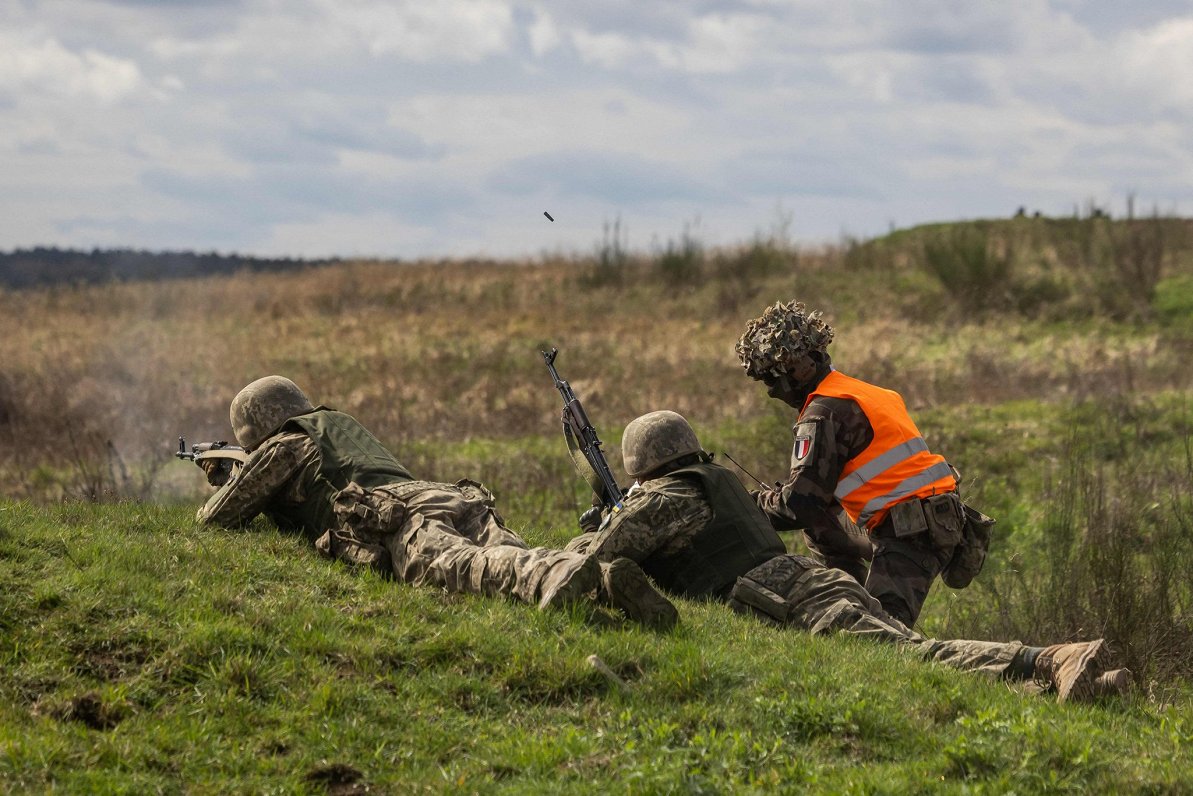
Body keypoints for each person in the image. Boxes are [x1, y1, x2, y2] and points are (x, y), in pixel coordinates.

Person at [567, 410, 1130, 703]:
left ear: (641, 466)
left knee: (911, 657)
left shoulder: (666, 497)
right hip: (812, 582)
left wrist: (598, 524)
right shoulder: (717, 481)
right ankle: (1066, 688)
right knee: (908, 654)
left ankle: (1052, 660)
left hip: (785, 601)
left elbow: (594, 560)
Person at [195, 375, 678, 629]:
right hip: (448, 495)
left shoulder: (283, 446)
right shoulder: (335, 423)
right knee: (507, 552)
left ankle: (557, 574)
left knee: (471, 569)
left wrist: (224, 478)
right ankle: (609, 585)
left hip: (397, 515)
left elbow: (217, 519)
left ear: (256, 429)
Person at [734, 299, 985, 627]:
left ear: (802, 365)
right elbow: (824, 500)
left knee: (882, 634)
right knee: (822, 530)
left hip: (911, 529)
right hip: (933, 520)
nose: (771, 392)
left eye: (772, 379)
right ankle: (844, 601)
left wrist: (747, 506)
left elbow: (800, 504)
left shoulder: (823, 413)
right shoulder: (867, 393)